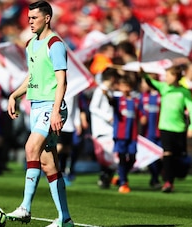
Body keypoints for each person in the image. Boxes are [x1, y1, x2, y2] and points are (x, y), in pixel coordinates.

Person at [6, 1, 74, 227]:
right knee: (49, 165)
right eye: (28, 18)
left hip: (50, 108)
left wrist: (56, 111)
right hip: (35, 107)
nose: (30, 22)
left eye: (34, 18)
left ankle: (25, 207)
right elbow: (32, 76)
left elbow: (61, 81)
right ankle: (65, 219)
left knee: (30, 147)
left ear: (47, 18)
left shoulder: (55, 44)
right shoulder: (30, 44)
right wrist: (14, 95)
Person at [141, 65, 192, 193]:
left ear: (175, 76)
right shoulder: (164, 88)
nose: (165, 78)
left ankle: (171, 175)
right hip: (165, 127)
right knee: (167, 154)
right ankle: (168, 182)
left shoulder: (184, 92)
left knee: (178, 157)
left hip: (179, 129)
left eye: (168, 75)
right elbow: (151, 82)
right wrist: (143, 74)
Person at [109, 75, 144, 193]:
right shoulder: (117, 100)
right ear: (119, 87)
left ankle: (120, 175)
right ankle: (123, 182)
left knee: (133, 158)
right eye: (123, 86)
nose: (125, 88)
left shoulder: (135, 101)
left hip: (132, 135)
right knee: (123, 158)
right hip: (120, 135)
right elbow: (110, 100)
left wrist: (143, 117)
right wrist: (105, 92)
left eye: (127, 86)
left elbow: (141, 114)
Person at [89, 68, 117, 189]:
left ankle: (106, 178)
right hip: (102, 129)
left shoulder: (108, 91)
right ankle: (104, 178)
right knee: (108, 157)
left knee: (111, 157)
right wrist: (108, 117)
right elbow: (93, 107)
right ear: (112, 78)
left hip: (108, 129)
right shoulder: (100, 91)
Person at [139, 73, 162, 189]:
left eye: (144, 82)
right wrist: (141, 117)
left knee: (160, 156)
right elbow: (139, 111)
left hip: (161, 132)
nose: (142, 85)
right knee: (151, 156)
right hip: (148, 133)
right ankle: (154, 178)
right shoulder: (142, 97)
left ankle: (158, 177)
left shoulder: (161, 96)